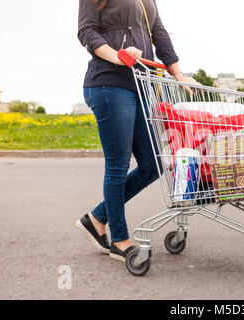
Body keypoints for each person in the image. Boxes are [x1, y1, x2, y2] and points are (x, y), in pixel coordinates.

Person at [75, 0, 199, 263]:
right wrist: (118, 55)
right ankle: (119, 240)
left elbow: (159, 34)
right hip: (109, 82)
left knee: (153, 165)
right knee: (118, 165)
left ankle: (97, 218)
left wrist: (179, 75)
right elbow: (86, 30)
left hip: (141, 86)